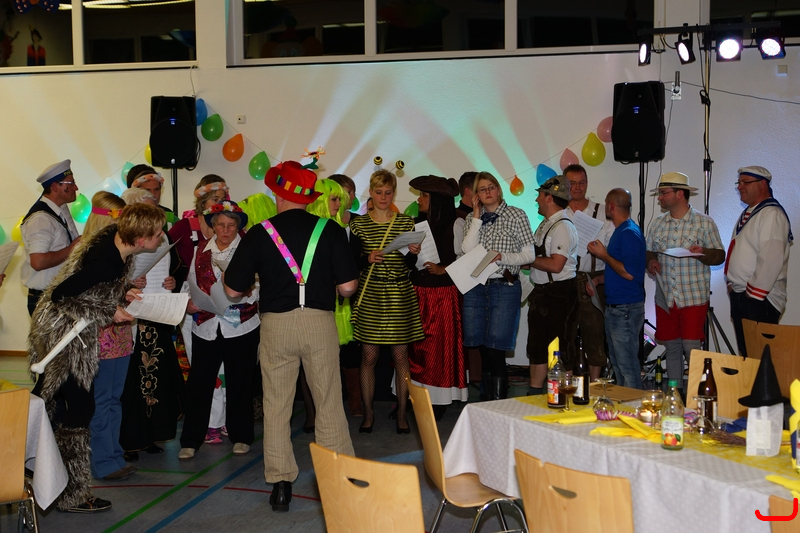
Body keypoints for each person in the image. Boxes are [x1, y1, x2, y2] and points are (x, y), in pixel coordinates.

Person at [224, 160, 358, 513]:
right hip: (319, 323)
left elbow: (233, 290)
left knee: (277, 405)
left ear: (277, 194)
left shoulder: (259, 232)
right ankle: (338, 480)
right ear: (309, 197)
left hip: (277, 326)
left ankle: (281, 484)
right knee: (328, 401)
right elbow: (348, 288)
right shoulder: (330, 230)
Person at [29, 203, 165, 513]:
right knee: (78, 410)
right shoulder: (106, 260)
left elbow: (93, 287)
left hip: (72, 333)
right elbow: (61, 295)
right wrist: (109, 311)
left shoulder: (115, 239)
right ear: (141, 239)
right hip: (62, 339)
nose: (160, 238)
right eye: (157, 234)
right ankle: (70, 494)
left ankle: (44, 478)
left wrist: (123, 292)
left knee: (48, 405)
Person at [178, 201, 259, 460]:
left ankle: (241, 436)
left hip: (241, 326)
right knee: (199, 383)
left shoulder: (248, 250)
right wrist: (189, 302)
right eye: (221, 225)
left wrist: (240, 294)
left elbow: (258, 288)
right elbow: (191, 282)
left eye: (230, 225)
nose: (225, 230)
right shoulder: (201, 250)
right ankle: (191, 440)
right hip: (207, 326)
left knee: (240, 383)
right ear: (213, 226)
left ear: (238, 226)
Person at [350, 169, 424, 434]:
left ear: (394, 193)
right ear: (371, 192)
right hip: (370, 295)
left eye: (388, 192)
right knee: (368, 356)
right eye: (379, 192)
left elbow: (410, 264)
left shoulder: (405, 223)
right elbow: (351, 262)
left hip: (399, 294)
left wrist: (413, 253)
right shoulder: (358, 225)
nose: (383, 197)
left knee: (401, 356)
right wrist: (366, 259)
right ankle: (368, 414)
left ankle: (403, 414)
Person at [119, 188, 186, 461]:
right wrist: (130, 282)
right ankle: (131, 439)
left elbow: (177, 266)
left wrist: (173, 280)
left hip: (156, 313)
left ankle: (151, 435)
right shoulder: (122, 238)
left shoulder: (162, 236)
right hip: (131, 316)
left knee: (156, 378)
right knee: (132, 381)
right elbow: (109, 280)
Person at [646, 172, 724, 388]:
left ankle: (697, 396)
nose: (660, 198)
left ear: (680, 194)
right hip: (666, 296)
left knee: (692, 348)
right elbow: (649, 251)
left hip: (693, 296)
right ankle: (674, 392)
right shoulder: (657, 224)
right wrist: (651, 261)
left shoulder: (704, 222)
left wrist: (703, 252)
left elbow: (720, 255)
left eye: (664, 193)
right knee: (671, 348)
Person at [462, 172, 535, 399]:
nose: (488, 192)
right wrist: (476, 215)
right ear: (476, 195)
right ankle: (486, 402)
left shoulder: (516, 214)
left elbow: (529, 254)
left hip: (505, 286)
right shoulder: (471, 218)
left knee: (496, 348)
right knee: (482, 346)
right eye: (482, 189)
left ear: (499, 190)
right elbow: (467, 250)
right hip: (477, 286)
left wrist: (502, 257)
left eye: (491, 187)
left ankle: (498, 403)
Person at [82, 193, 137, 482]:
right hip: (98, 334)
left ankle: (114, 454)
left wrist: (128, 290)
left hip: (119, 333)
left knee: (114, 398)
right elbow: (85, 295)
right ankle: (103, 461)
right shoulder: (88, 253)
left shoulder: (118, 252)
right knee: (102, 399)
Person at [408, 175, 466, 419]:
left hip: (442, 295)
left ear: (437, 200)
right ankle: (414, 397)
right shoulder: (417, 224)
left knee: (437, 348)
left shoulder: (456, 224)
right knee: (415, 348)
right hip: (418, 292)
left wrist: (444, 269)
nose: (419, 200)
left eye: (424, 195)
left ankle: (438, 399)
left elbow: (466, 258)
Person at [725, 166, 793, 356]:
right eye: (739, 182)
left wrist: (753, 294)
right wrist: (732, 285)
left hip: (760, 299)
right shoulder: (752, 212)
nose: (740, 187)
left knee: (761, 357)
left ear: (762, 184)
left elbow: (771, 259)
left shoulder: (772, 214)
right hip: (743, 295)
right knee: (748, 355)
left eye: (746, 182)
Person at [587, 188, 645, 389]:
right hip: (617, 307)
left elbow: (629, 273)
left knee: (626, 365)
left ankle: (633, 404)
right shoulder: (622, 231)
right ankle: (625, 402)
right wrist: (599, 280)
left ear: (611, 206)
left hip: (625, 308)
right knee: (618, 364)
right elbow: (623, 270)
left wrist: (603, 255)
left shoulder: (628, 233)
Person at [527, 176, 579, 394]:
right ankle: (534, 394)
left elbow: (556, 265)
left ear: (549, 197)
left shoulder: (563, 227)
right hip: (542, 292)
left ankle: (564, 397)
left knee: (561, 348)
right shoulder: (546, 223)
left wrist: (527, 259)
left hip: (559, 294)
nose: (537, 199)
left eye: (540, 195)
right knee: (537, 348)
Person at [564, 164, 614, 380]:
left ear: (587, 184)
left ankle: (594, 384)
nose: (577, 187)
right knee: (566, 332)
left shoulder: (602, 212)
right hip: (565, 278)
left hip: (593, 278)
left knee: (594, 332)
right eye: (572, 183)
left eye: (581, 183)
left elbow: (613, 246)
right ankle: (567, 382)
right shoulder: (558, 212)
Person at [21, 160, 81, 315]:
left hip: (58, 293)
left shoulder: (59, 209)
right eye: (71, 183)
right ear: (54, 187)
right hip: (45, 298)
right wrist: (71, 249)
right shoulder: (40, 219)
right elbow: (38, 262)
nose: (76, 187)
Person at [327, 173, 363, 416]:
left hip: (356, 295)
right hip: (328, 298)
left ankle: (356, 402)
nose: (349, 197)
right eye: (344, 192)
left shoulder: (359, 222)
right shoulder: (323, 223)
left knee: (352, 351)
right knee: (328, 353)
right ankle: (329, 406)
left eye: (352, 192)